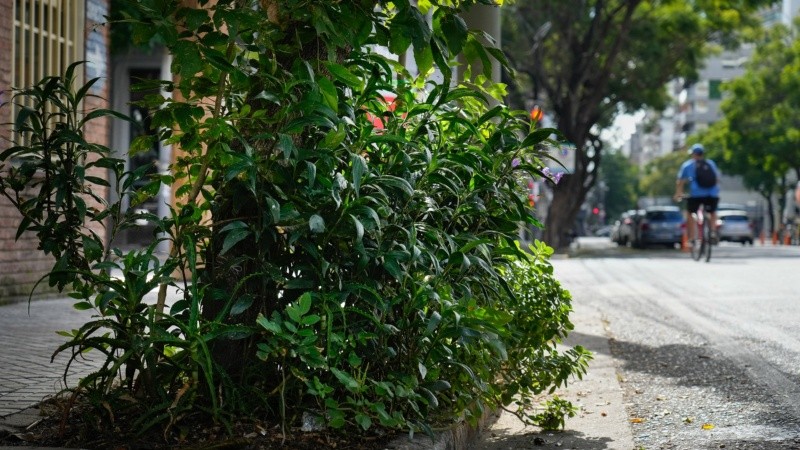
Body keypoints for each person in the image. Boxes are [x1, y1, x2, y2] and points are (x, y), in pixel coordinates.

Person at [674, 143, 721, 242]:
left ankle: (692, 238)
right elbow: (717, 179)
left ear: (693, 154)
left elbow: (680, 182)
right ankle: (712, 231)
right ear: (702, 154)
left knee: (690, 213)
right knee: (713, 212)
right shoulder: (710, 163)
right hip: (712, 194)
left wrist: (678, 194)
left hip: (696, 195)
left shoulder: (688, 165)